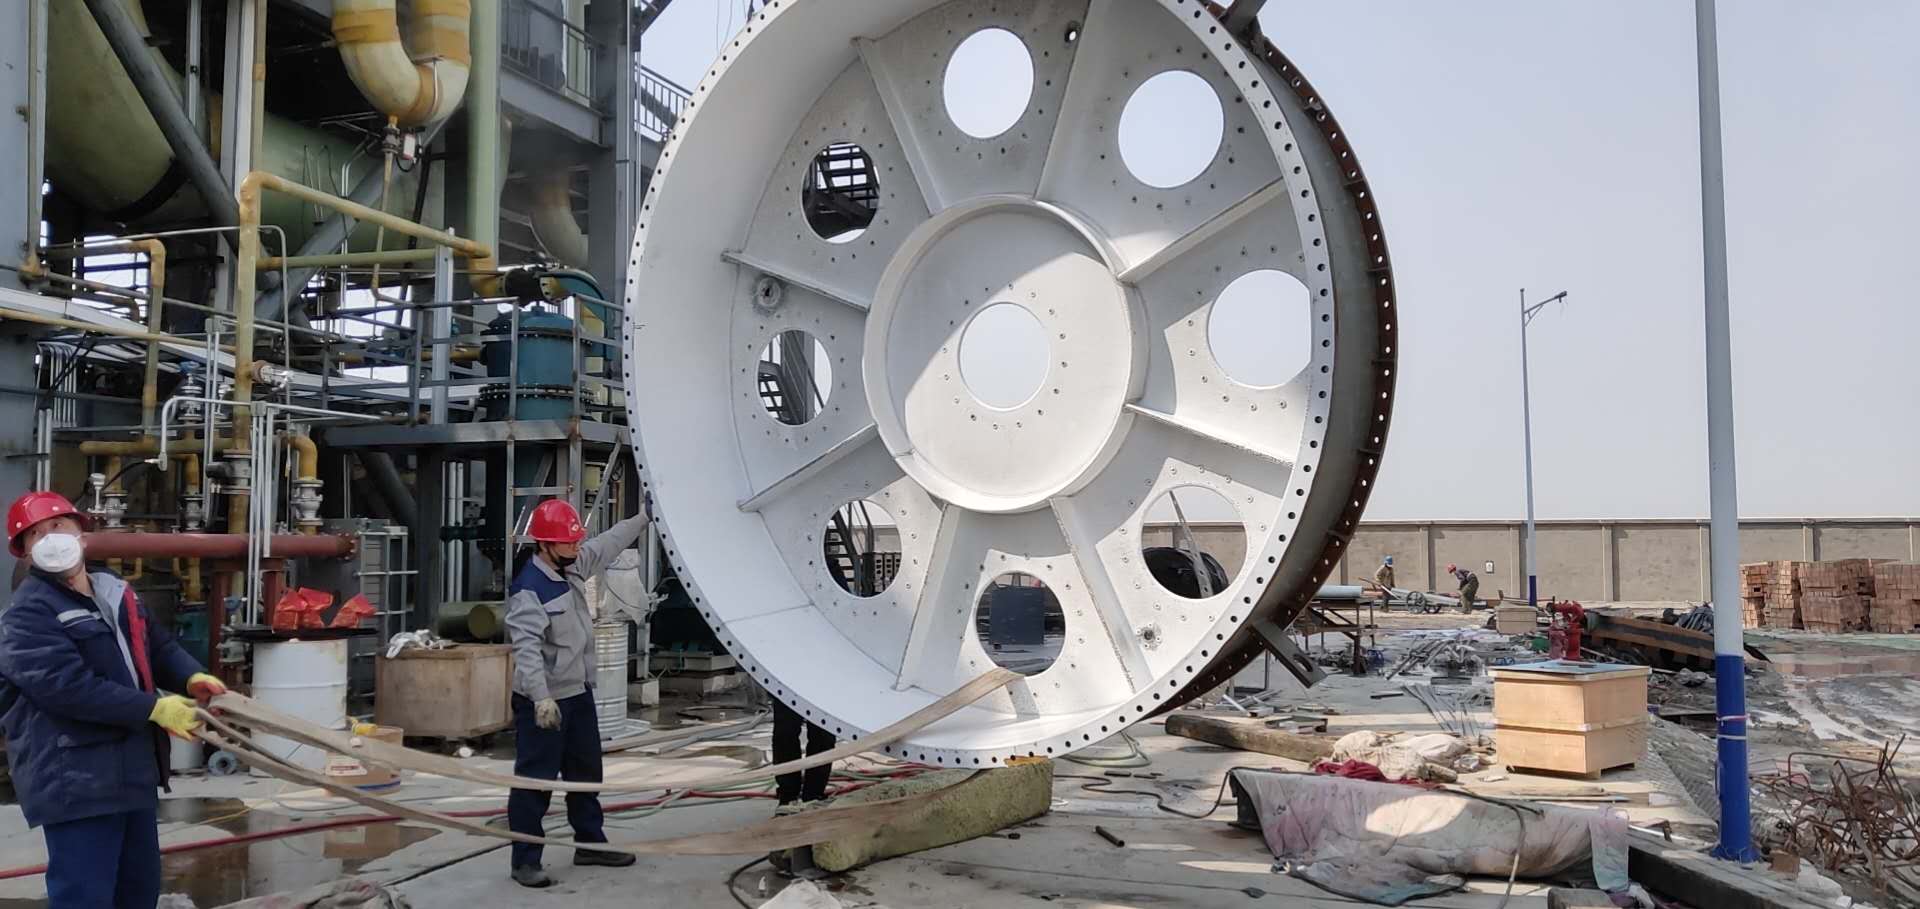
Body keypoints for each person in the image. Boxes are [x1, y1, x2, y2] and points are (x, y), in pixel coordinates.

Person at [0, 491, 226, 908]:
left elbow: (155, 646)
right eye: (35, 534)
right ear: (26, 553)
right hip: (75, 780)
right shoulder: (27, 615)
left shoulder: (116, 591)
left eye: (57, 525)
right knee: (85, 897)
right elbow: (67, 688)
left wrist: (191, 677)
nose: (50, 538)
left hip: (131, 772)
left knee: (138, 893)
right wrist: (154, 708)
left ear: (81, 532)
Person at [503, 498, 650, 888]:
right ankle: (525, 860)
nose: (576, 546)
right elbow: (527, 651)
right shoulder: (529, 590)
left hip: (578, 694)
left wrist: (643, 517)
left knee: (585, 774)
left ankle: (589, 844)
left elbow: (607, 543)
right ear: (545, 545)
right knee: (536, 780)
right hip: (544, 701)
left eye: (576, 540)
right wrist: (540, 699)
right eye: (568, 542)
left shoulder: (571, 566)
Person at [766, 696, 836, 876]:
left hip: (828, 683)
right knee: (785, 731)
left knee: (823, 733)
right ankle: (788, 798)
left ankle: (813, 798)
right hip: (790, 681)